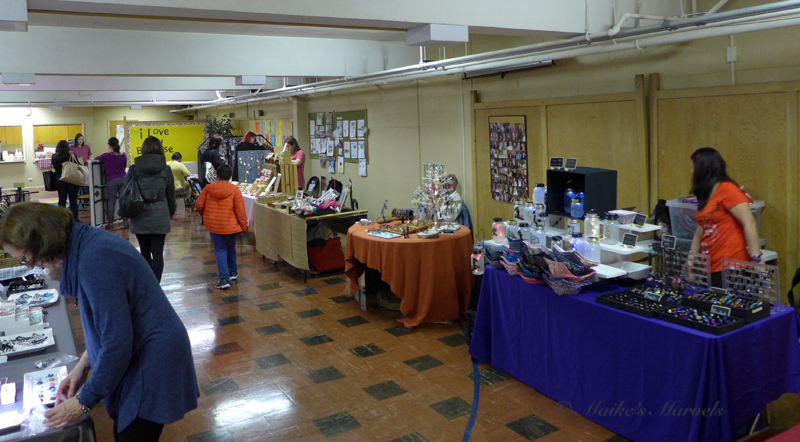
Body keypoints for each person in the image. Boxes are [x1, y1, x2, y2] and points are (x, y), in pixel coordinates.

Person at [0, 202, 198, 442]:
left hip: (153, 358)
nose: (31, 266)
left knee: (132, 434)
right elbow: (109, 326)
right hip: (143, 347)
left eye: (26, 258)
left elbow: (116, 342)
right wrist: (83, 366)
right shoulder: (85, 245)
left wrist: (82, 402)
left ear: (42, 241)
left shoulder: (94, 259)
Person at [689, 147, 760, 287]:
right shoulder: (706, 192)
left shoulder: (727, 189)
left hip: (732, 265)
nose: (691, 171)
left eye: (693, 166)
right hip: (710, 265)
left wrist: (756, 258)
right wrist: (691, 259)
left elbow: (749, 222)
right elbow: (700, 230)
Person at [127, 136, 176, 282]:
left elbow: (126, 191)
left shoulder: (134, 169)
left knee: (144, 252)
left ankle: (148, 285)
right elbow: (171, 194)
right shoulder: (166, 169)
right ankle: (156, 286)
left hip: (139, 213)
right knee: (158, 253)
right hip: (160, 214)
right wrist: (171, 211)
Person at [195, 164, 247, 290]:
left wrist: (205, 216)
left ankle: (224, 279)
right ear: (230, 177)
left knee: (220, 251)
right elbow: (240, 211)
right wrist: (243, 227)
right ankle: (233, 272)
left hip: (214, 226)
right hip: (231, 226)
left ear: (217, 175)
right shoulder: (234, 190)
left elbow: (199, 205)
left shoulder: (208, 189)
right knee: (231, 249)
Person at [94, 137, 128, 230]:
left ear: (109, 146)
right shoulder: (124, 155)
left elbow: (95, 159)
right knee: (123, 201)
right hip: (123, 179)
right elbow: (124, 166)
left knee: (112, 201)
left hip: (112, 180)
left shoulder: (106, 156)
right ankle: (125, 222)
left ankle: (110, 223)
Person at [51, 140, 80, 220]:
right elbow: (78, 165)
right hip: (71, 179)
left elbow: (55, 166)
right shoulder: (71, 156)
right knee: (73, 200)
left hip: (60, 179)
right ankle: (75, 218)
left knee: (62, 200)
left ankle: (61, 218)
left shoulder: (55, 156)